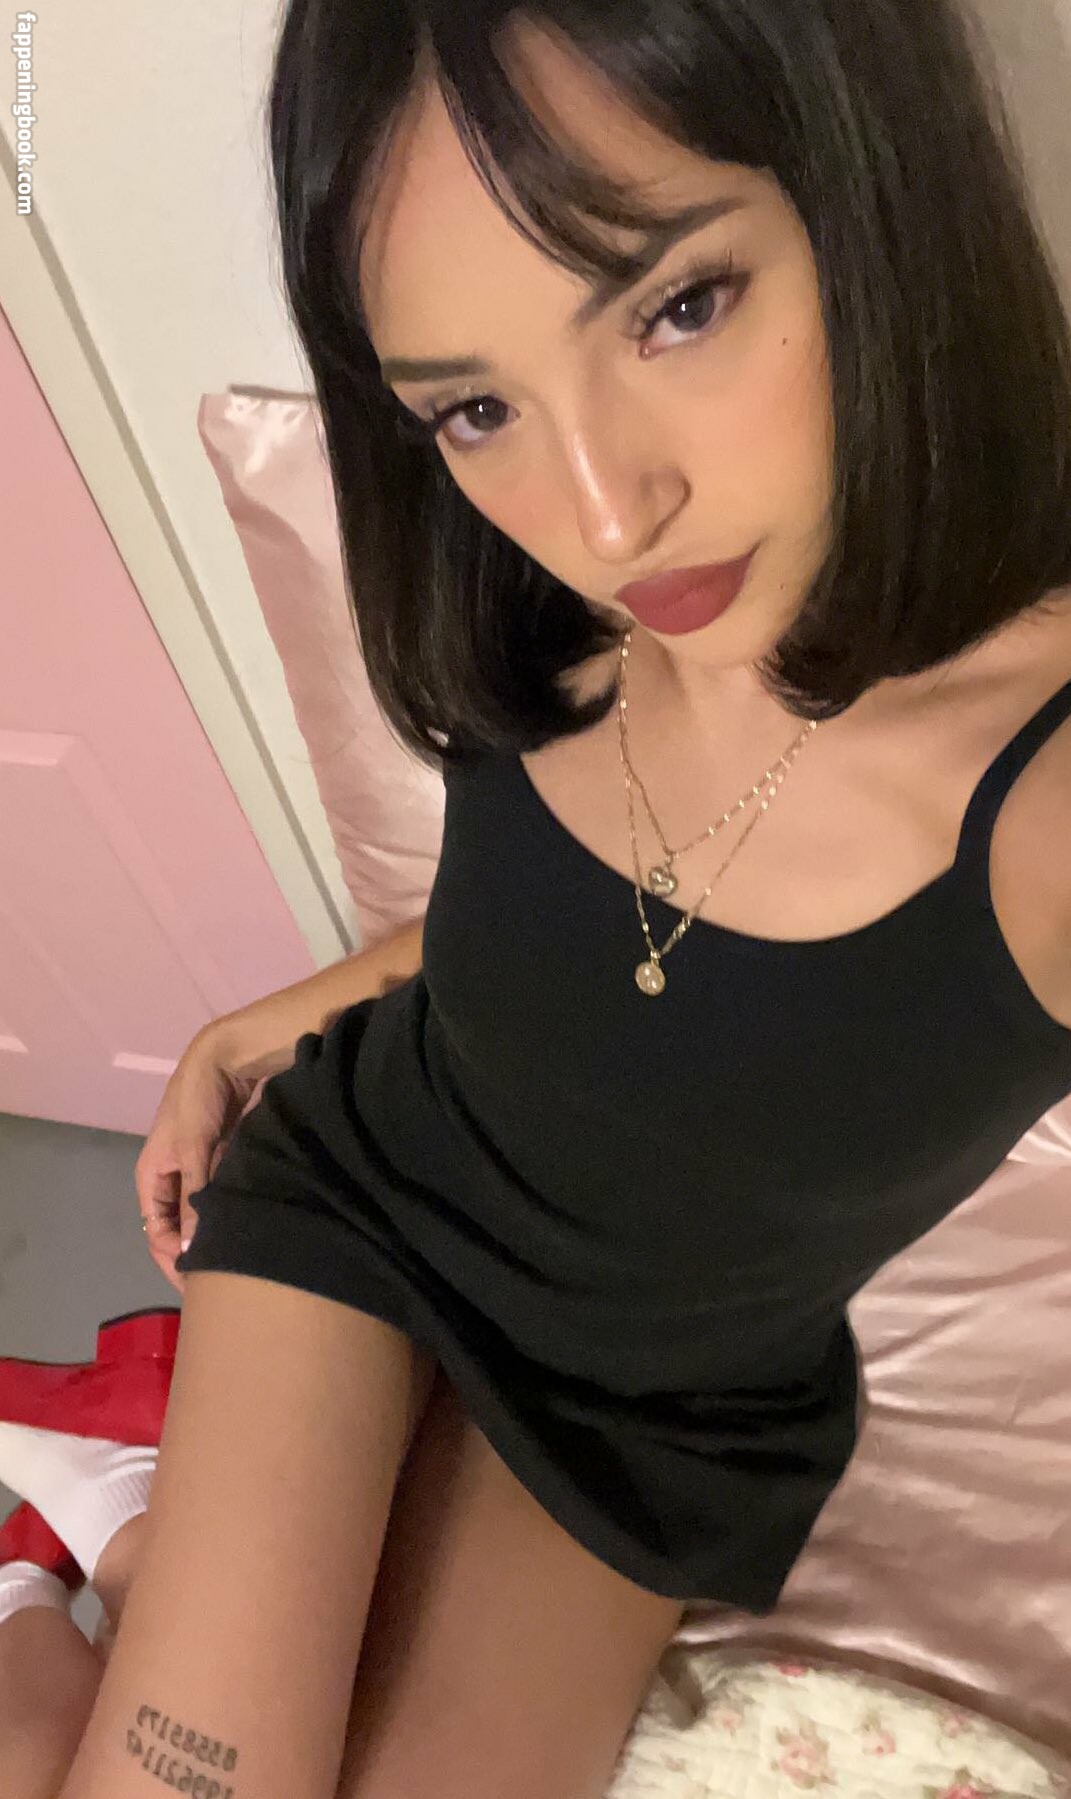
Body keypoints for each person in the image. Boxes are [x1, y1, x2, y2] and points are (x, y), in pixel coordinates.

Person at [3, 2, 1071, 1795]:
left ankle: (116, 1535)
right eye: (476, 408)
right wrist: (274, 1019)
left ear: (875, 188)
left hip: (652, 1412)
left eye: (679, 307)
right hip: (368, 1216)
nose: (603, 513)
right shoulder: (533, 603)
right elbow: (579, 933)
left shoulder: (1043, 794)